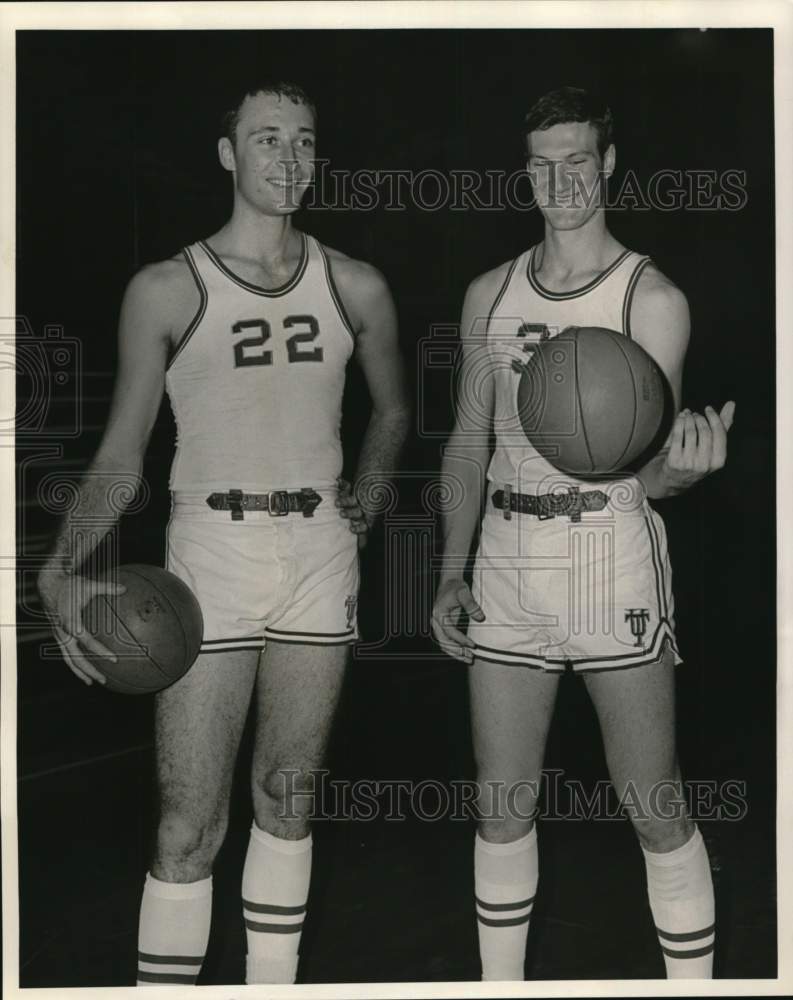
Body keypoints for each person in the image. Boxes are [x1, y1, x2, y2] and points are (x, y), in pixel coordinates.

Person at [37, 80, 410, 986]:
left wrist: (359, 506)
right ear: (227, 156)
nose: (289, 158)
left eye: (304, 141)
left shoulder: (354, 282)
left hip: (317, 552)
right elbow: (124, 457)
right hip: (211, 554)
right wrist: (57, 571)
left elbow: (393, 411)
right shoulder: (166, 287)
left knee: (289, 800)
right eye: (267, 139)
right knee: (187, 824)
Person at [431, 86, 734, 981]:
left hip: (607, 552)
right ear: (524, 170)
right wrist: (450, 571)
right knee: (500, 805)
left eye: (577, 161)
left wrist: (677, 473)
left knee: (652, 801)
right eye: (541, 162)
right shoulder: (487, 292)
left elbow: (642, 468)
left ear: (606, 165)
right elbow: (466, 440)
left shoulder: (652, 298)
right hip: (507, 560)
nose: (559, 180)